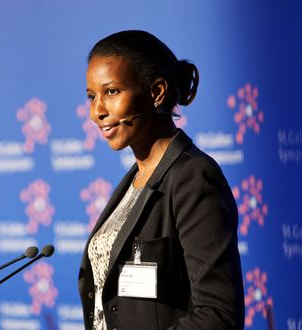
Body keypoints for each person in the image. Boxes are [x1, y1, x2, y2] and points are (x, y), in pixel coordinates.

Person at [78, 30, 245, 330]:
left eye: (112, 92)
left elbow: (219, 315)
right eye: (92, 96)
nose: (97, 111)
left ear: (156, 92)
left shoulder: (192, 177)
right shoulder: (134, 181)